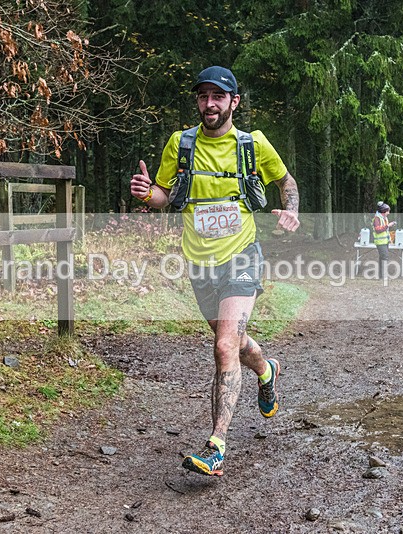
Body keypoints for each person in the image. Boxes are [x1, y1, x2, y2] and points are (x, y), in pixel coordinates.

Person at [129, 66, 300, 477]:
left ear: (233, 102)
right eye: (204, 96)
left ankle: (216, 445)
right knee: (236, 345)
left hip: (241, 255)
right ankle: (266, 369)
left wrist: (291, 211)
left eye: (218, 97)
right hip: (199, 261)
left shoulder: (253, 144)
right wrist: (146, 192)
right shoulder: (180, 143)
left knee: (224, 347)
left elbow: (285, 180)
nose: (210, 104)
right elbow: (165, 195)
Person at [372, 201, 396, 280]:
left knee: (382, 258)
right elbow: (378, 230)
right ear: (383, 211)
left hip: (385, 242)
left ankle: (381, 276)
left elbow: (386, 230)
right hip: (380, 242)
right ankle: (384, 276)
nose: (388, 213)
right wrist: (388, 225)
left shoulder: (384, 218)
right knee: (384, 257)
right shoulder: (377, 219)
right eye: (387, 211)